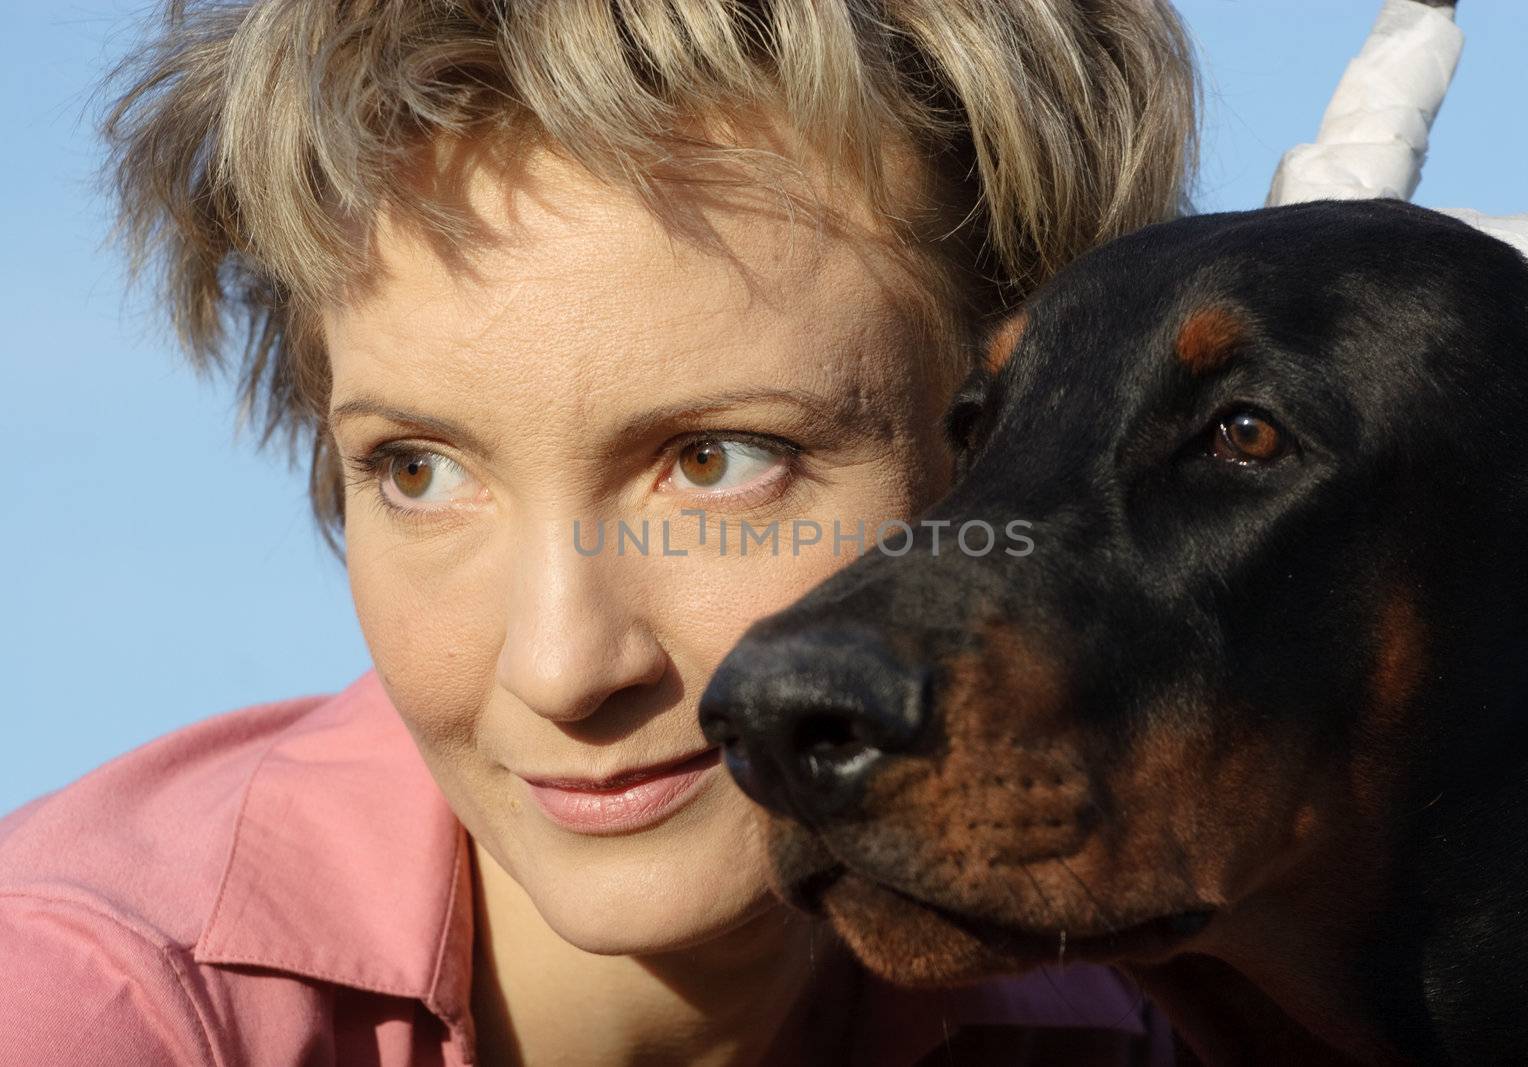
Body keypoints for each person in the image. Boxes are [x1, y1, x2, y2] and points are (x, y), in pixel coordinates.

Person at [0, 1, 1199, 1063]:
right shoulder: (86, 1012)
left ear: (1012, 455)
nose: (561, 667)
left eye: (714, 462)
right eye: (419, 470)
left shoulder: (1147, 1003)